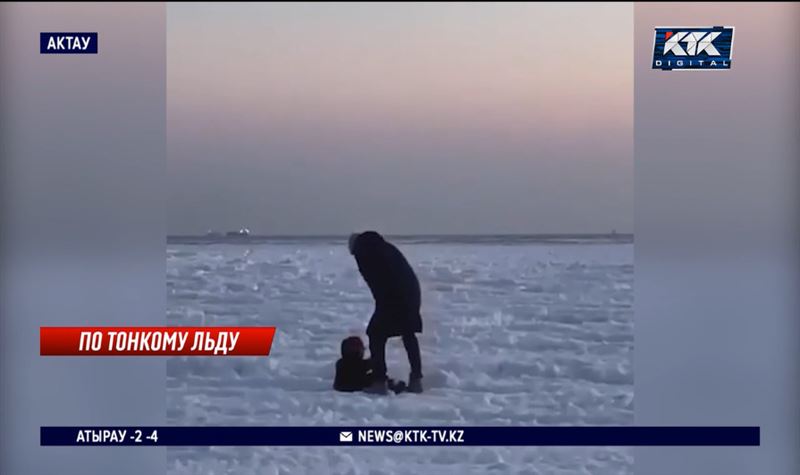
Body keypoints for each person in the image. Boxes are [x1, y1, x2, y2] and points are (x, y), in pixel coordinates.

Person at [348, 231, 423, 394]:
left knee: (375, 334)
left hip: (395, 297)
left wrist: (384, 307)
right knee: (408, 332)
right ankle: (416, 379)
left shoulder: (366, 254)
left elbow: (379, 283)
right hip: (411, 294)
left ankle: (379, 380)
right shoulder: (382, 248)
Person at [333, 336, 407, 394]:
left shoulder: (341, 363)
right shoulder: (354, 364)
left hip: (345, 387)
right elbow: (368, 365)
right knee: (376, 376)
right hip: (357, 387)